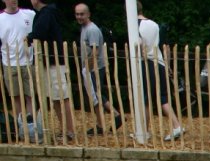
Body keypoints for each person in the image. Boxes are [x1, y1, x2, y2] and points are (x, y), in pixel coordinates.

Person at [136, 2, 184, 142]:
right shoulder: (154, 24)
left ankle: (145, 132)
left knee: (146, 97)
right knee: (161, 96)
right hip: (159, 62)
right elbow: (163, 45)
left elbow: (138, 44)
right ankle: (174, 126)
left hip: (147, 62)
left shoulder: (135, 25)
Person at [29, 0, 75, 141]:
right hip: (50, 62)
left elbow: (39, 33)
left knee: (62, 96)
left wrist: (28, 38)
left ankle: (69, 130)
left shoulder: (46, 13)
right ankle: (65, 129)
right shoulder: (47, 12)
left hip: (54, 62)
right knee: (55, 98)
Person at [74, 4, 121, 136]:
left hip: (94, 68)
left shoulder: (92, 30)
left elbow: (95, 51)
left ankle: (109, 119)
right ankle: (111, 118)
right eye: (77, 14)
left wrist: (88, 69)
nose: (79, 16)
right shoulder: (84, 28)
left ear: (88, 14)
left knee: (95, 95)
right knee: (97, 94)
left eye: (82, 14)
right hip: (90, 67)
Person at [0, 0, 35, 129]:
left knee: (30, 95)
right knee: (15, 96)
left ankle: (32, 125)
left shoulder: (30, 14)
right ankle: (20, 126)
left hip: (27, 62)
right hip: (8, 63)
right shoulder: (0, 18)